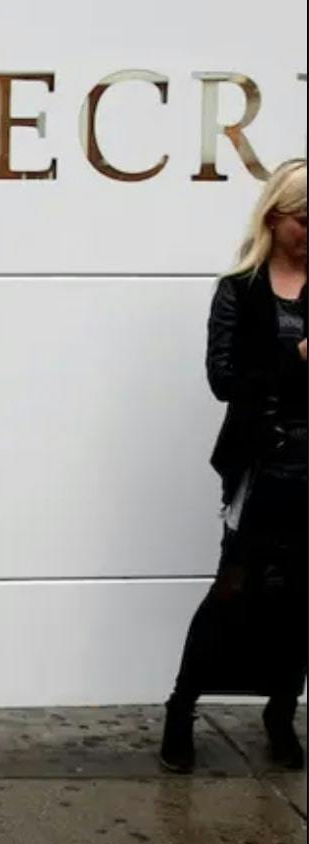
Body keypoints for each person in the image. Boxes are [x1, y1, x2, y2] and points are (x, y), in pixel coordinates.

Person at [160, 158, 307, 774]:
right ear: (274, 216)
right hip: (261, 462)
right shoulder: (239, 289)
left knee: (301, 595)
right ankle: (181, 707)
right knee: (232, 589)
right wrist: (296, 357)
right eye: (304, 218)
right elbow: (225, 381)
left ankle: (280, 711)